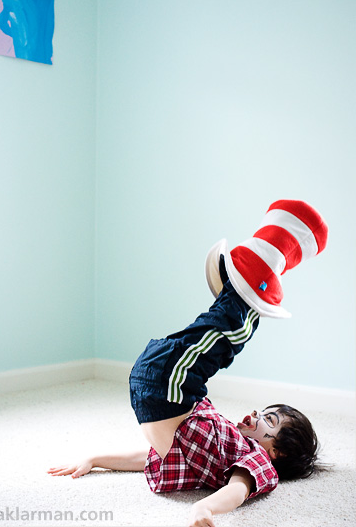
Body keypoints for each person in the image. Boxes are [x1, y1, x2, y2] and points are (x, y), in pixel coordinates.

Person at [49, 200, 327, 527]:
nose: (255, 414)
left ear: (277, 453)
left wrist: (204, 509)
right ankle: (248, 283)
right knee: (207, 335)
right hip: (170, 390)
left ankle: (249, 285)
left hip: (167, 389)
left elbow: (235, 491)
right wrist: (95, 460)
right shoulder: (226, 450)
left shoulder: (256, 464)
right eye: (264, 411)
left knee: (224, 333)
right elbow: (152, 454)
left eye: (269, 420)